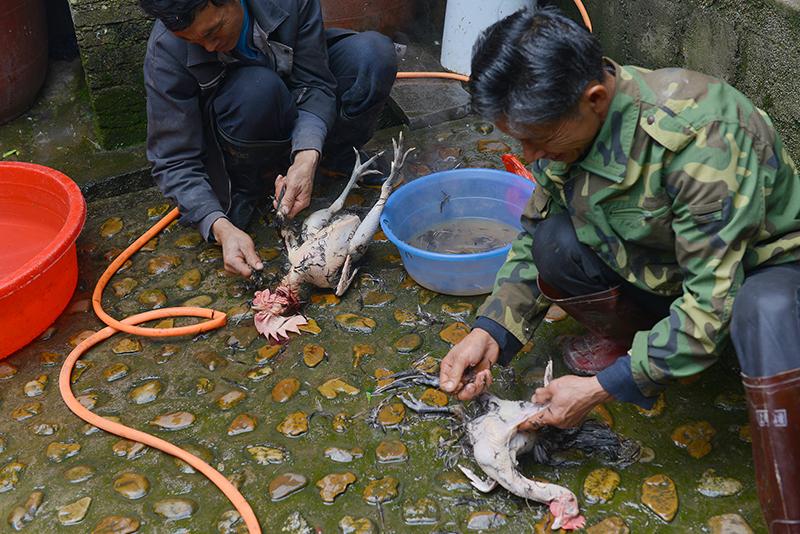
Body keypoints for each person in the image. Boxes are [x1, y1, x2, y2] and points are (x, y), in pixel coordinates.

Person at [438, 6, 800, 531]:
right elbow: (539, 227)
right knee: (556, 245)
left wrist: (602, 387)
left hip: (759, 275)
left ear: (595, 100)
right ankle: (654, 352)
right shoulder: (566, 123)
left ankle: (788, 509)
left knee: (762, 311)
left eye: (537, 138)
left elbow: (710, 305)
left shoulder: (705, 137)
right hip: (674, 274)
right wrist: (491, 331)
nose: (529, 153)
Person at [139, 0, 398, 277]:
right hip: (242, 124)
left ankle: (332, 157)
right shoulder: (165, 51)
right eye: (193, 41)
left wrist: (307, 155)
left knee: (373, 55)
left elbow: (315, 83)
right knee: (258, 89)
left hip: (295, 105)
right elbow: (173, 159)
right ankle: (248, 185)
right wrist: (218, 225)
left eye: (213, 32)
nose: (210, 47)